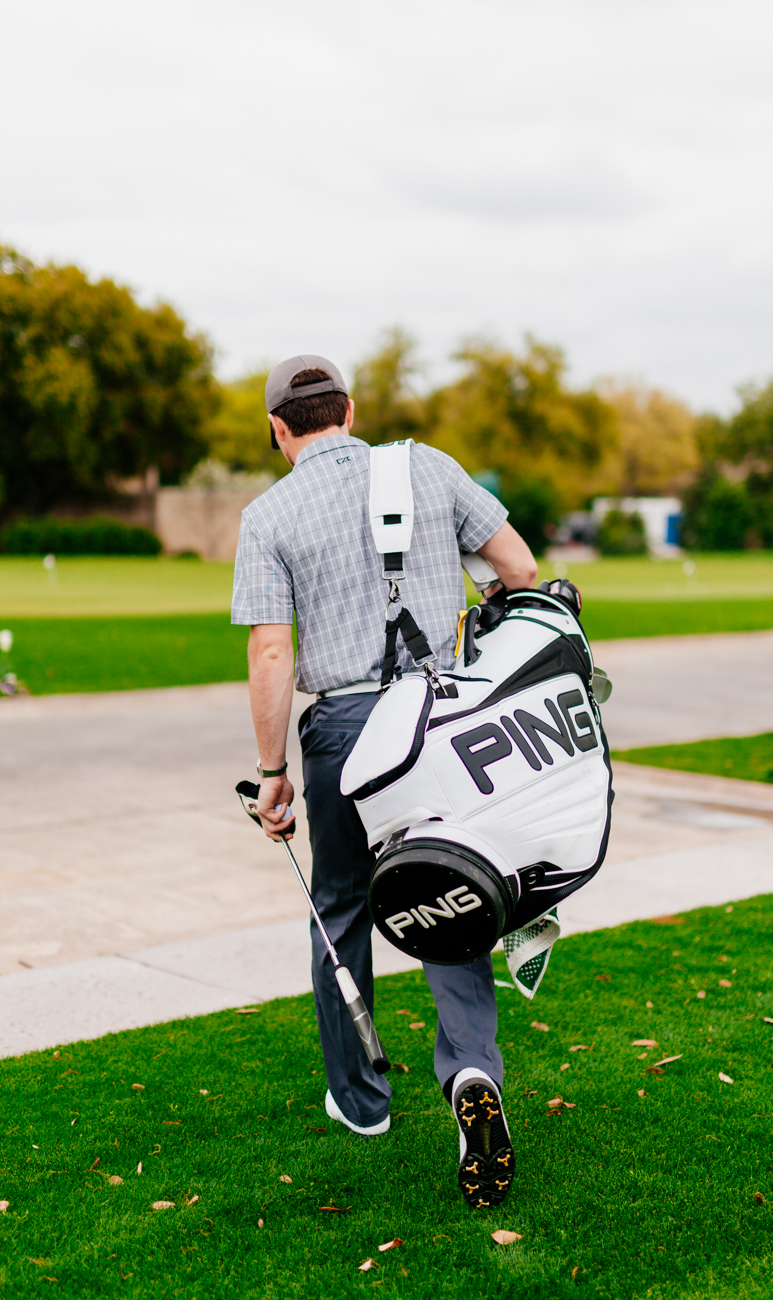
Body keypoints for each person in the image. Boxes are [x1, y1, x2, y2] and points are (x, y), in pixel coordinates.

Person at [231, 354, 537, 1209]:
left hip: (343, 728)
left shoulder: (268, 513)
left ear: (278, 429)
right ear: (351, 410)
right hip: (441, 720)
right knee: (448, 891)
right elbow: (518, 570)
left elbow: (270, 653)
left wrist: (271, 774)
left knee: (341, 905)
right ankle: (470, 1070)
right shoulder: (426, 466)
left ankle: (361, 1103)